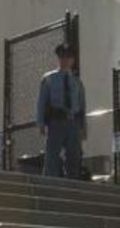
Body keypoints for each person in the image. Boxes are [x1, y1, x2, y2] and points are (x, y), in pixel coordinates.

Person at [36, 42, 86, 178]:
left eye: (68, 57)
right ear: (58, 58)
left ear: (73, 60)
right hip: (56, 121)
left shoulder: (77, 82)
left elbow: (82, 105)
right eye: (62, 57)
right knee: (52, 155)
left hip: (73, 122)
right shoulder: (49, 79)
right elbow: (42, 101)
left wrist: (83, 127)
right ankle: (49, 183)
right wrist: (41, 123)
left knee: (74, 156)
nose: (65, 60)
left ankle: (73, 184)